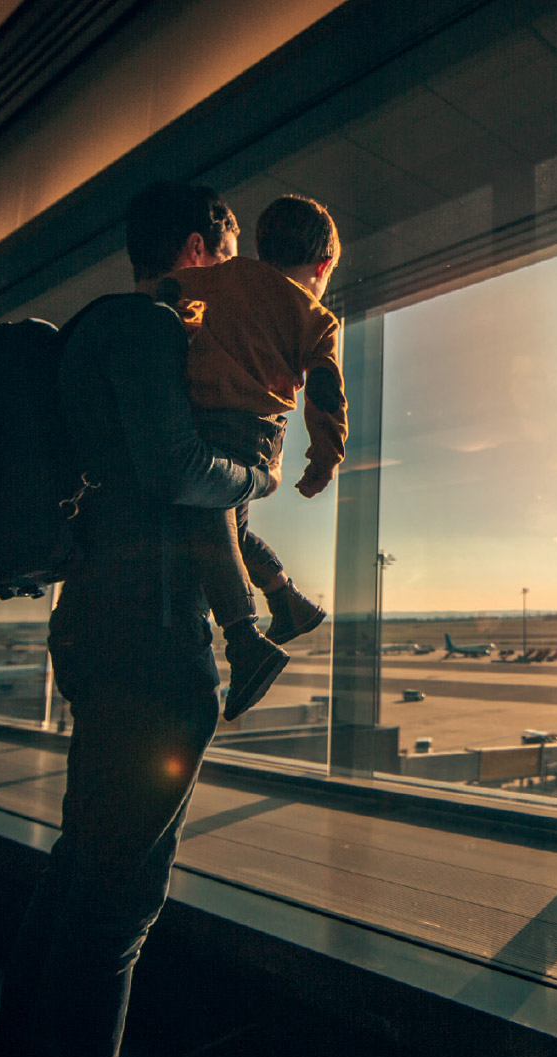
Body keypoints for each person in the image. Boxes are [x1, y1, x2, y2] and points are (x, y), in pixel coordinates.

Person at [0, 180, 267, 1057]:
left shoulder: (89, 335)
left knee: (81, 870)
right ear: (196, 250)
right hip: (151, 637)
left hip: (98, 625)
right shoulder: (149, 331)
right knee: (120, 904)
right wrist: (254, 480)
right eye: (223, 261)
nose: (228, 280)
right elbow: (179, 470)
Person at [165, 194, 345, 720]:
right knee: (225, 529)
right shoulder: (317, 317)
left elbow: (171, 290)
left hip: (214, 420)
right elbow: (327, 395)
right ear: (324, 266)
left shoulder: (230, 277)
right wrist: (324, 459)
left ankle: (247, 639)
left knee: (212, 521)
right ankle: (285, 604)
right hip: (261, 432)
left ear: (263, 248)